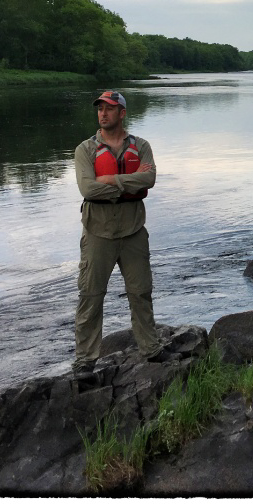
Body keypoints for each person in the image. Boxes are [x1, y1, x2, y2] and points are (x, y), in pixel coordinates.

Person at [72, 90, 162, 374]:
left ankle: (151, 350)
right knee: (91, 296)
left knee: (141, 293)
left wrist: (111, 180)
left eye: (109, 109)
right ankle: (85, 361)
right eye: (100, 108)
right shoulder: (85, 149)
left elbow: (149, 178)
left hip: (134, 231)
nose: (103, 113)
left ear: (122, 113)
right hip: (98, 233)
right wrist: (128, 183)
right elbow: (88, 188)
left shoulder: (142, 145)